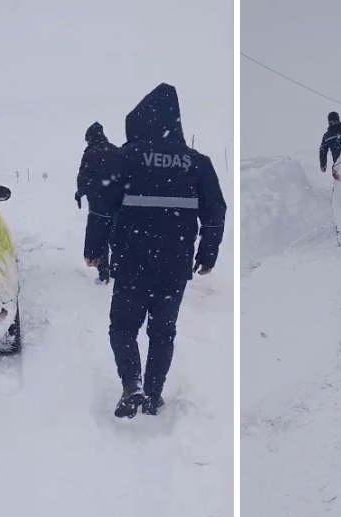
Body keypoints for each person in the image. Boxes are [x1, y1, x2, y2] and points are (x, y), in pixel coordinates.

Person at [84, 83, 226, 418]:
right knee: (162, 333)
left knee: (123, 328)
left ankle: (131, 385)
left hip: (132, 262)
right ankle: (152, 396)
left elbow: (101, 208)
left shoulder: (124, 158)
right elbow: (216, 211)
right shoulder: (197, 163)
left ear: (140, 120)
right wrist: (207, 254)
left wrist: (94, 249)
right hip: (174, 266)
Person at [75, 122, 120, 283]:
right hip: (117, 205)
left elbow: (83, 178)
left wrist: (80, 193)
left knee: (99, 239)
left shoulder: (90, 154)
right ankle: (117, 269)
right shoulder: (116, 151)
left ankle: (103, 272)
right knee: (115, 238)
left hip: (98, 206)